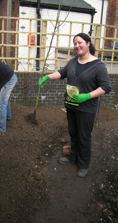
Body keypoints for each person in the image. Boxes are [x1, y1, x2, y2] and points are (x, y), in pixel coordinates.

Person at [39, 33, 112, 177]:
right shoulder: (73, 62)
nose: (77, 46)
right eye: (75, 43)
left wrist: (87, 96)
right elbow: (62, 73)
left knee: (84, 136)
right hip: (71, 105)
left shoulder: (98, 66)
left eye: (80, 42)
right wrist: (47, 77)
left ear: (88, 43)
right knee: (73, 132)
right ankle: (73, 156)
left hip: (86, 109)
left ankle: (84, 163)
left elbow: (106, 87)